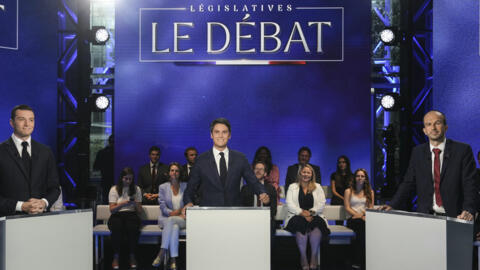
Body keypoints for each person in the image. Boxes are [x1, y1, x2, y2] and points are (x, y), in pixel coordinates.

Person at [383, 110, 478, 220]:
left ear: (445, 127)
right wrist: (392, 205)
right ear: (424, 130)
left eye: (437, 123)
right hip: (426, 216)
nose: (433, 128)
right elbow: (408, 182)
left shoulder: (462, 151)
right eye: (429, 124)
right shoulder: (417, 152)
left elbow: (470, 184)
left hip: (456, 216)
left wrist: (469, 209)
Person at [183, 118, 269, 208]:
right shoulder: (201, 160)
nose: (221, 135)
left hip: (233, 212)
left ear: (229, 135)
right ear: (211, 135)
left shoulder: (240, 158)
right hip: (209, 213)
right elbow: (190, 189)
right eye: (217, 132)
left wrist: (262, 192)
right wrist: (188, 202)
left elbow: (253, 182)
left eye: (224, 132)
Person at [0, 104, 60, 217]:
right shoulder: (1, 151)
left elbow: (54, 188)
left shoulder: (45, 152)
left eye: (31, 120)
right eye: (21, 119)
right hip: (8, 222)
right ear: (11, 122)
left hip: (40, 219)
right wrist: (21, 206)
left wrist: (44, 202)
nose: (27, 124)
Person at [285, 164, 330, 270]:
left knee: (317, 225)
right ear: (300, 173)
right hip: (296, 215)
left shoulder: (317, 187)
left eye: (308, 172)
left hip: (314, 214)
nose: (306, 174)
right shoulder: (293, 186)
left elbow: (322, 202)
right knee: (300, 224)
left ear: (312, 174)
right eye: (304, 172)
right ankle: (304, 257)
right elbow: (289, 203)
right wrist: (301, 213)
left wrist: (311, 212)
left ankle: (313, 256)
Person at [152, 162, 187, 270]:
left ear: (180, 173)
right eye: (172, 170)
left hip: (182, 218)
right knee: (174, 227)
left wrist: (181, 211)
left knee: (173, 222)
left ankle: (161, 252)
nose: (174, 173)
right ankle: (173, 260)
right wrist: (170, 213)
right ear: (169, 173)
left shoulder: (185, 186)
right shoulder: (163, 187)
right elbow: (162, 205)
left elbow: (189, 203)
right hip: (167, 218)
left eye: (177, 171)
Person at [108, 167, 142, 269]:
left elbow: (139, 211)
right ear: (121, 178)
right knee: (116, 228)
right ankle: (116, 256)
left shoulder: (137, 189)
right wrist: (123, 204)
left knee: (132, 228)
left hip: (131, 214)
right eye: (126, 179)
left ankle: (132, 255)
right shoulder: (114, 189)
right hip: (117, 214)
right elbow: (112, 209)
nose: (128, 181)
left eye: (130, 179)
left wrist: (135, 203)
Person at [344, 169, 374, 270]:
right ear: (355, 178)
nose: (360, 178)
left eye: (362, 176)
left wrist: (362, 215)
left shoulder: (370, 192)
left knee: (362, 231)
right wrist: (358, 215)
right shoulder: (348, 191)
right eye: (358, 176)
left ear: (365, 179)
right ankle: (361, 262)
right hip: (352, 218)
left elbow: (370, 208)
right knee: (362, 228)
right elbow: (347, 207)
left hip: (364, 218)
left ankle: (357, 261)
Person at [241, 161, 277, 236]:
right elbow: (242, 207)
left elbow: (273, 210)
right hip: (249, 219)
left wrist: (267, 203)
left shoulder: (271, 189)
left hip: (265, 219)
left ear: (265, 173)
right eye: (256, 169)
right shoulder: (245, 188)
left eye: (261, 169)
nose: (258, 171)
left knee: (272, 224)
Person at [330, 155, 354, 225]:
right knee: (339, 222)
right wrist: (344, 198)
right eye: (340, 162)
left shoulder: (352, 176)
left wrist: (347, 199)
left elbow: (353, 190)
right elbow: (334, 191)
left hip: (349, 199)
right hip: (337, 199)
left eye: (344, 162)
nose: (342, 164)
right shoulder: (334, 175)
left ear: (347, 164)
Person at [93, 134, 114, 204]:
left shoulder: (102, 152)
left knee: (105, 199)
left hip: (105, 179)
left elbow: (96, 167)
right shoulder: (120, 153)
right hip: (113, 179)